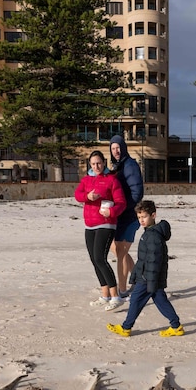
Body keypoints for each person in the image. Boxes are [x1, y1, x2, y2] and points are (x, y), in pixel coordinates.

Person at [107, 200, 184, 338]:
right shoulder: (149, 233)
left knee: (136, 300)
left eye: (144, 217)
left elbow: (154, 260)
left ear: (153, 215)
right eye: (139, 217)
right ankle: (176, 326)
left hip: (149, 277)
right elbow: (144, 259)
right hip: (148, 276)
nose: (141, 220)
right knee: (161, 301)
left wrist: (149, 280)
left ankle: (126, 328)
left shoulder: (153, 236)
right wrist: (136, 274)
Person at [75, 150, 127, 311]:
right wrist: (87, 197)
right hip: (89, 224)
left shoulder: (112, 180)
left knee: (100, 258)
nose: (96, 166)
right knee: (94, 260)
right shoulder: (86, 180)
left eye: (99, 163)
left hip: (106, 223)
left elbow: (121, 203)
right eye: (93, 164)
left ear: (104, 163)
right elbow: (77, 195)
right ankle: (105, 295)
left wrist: (111, 212)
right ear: (89, 165)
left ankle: (115, 296)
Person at [109, 135, 144, 299]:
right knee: (116, 249)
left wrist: (122, 207)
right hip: (119, 215)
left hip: (129, 215)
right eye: (113, 148)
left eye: (118, 147)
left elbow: (137, 193)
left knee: (121, 252)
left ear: (123, 148)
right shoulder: (117, 166)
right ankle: (139, 279)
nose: (116, 151)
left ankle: (122, 291)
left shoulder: (130, 165)